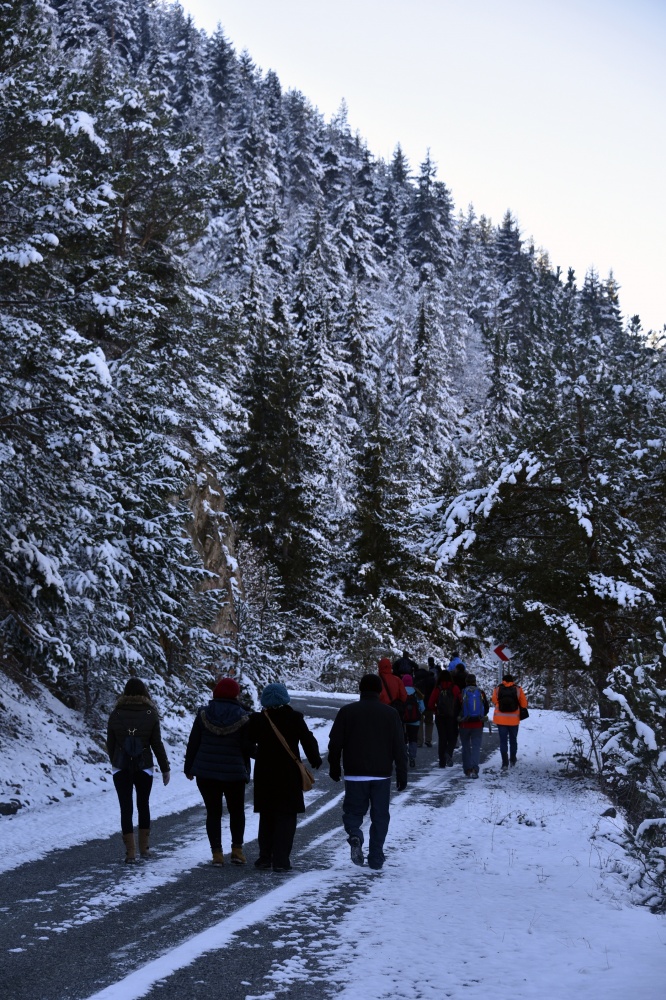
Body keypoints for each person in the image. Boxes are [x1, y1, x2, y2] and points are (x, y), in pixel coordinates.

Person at [328, 674, 408, 871]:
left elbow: (335, 743)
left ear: (360, 689)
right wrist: (402, 772)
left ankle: (355, 834)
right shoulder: (390, 714)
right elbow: (399, 746)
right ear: (380, 690)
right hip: (381, 774)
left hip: (355, 773)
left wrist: (334, 766)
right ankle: (376, 856)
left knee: (353, 811)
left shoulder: (347, 712)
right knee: (380, 816)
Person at [245, 683, 322, 873]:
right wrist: (315, 759)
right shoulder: (294, 717)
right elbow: (307, 739)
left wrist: (259, 754)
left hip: (265, 774)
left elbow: (245, 744)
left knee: (267, 815)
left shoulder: (257, 719)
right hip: (288, 774)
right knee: (286, 817)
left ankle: (264, 857)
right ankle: (280, 860)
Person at [184, 677, 252, 866]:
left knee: (213, 812)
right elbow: (247, 747)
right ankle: (237, 851)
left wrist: (188, 767)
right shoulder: (244, 717)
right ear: (236, 694)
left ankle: (217, 855)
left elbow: (194, 742)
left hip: (206, 773)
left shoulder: (204, 714)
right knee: (237, 811)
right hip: (234, 773)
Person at [106, 677, 171, 863]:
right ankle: (145, 849)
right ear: (144, 692)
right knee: (144, 805)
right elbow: (156, 744)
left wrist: (117, 760)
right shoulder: (150, 714)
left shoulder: (115, 714)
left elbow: (110, 744)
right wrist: (165, 768)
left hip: (121, 767)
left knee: (125, 807)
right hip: (145, 766)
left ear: (125, 693)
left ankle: (130, 853)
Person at [491, 673, 528, 769]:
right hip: (514, 720)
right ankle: (512, 759)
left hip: (500, 719)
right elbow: (524, 704)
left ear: (503, 680)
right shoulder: (518, 689)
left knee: (503, 741)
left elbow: (494, 700)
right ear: (512, 681)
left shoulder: (497, 689)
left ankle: (504, 762)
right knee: (513, 740)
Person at [458, 673, 489, 778]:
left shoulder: (462, 692)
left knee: (466, 747)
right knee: (476, 747)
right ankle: (475, 769)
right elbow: (486, 707)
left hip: (464, 724)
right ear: (475, 681)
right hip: (478, 724)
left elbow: (457, 707)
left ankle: (467, 770)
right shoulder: (481, 692)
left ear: (466, 682)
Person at [428, 670, 461, 767]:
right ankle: (448, 752)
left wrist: (436, 710)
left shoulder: (437, 688)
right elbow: (460, 700)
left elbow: (430, 704)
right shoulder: (454, 688)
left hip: (440, 716)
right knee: (453, 737)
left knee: (442, 738)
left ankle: (442, 762)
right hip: (452, 716)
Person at [401, 674, 425, 767]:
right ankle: (412, 757)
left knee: (403, 739)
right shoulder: (417, 692)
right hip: (415, 721)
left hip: (403, 719)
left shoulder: (401, 692)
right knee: (413, 739)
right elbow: (422, 708)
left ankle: (403, 755)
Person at [414, 661, 436, 747]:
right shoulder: (431, 678)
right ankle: (428, 740)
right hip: (429, 703)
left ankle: (419, 741)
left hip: (418, 703)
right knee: (429, 722)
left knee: (419, 722)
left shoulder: (415, 677)